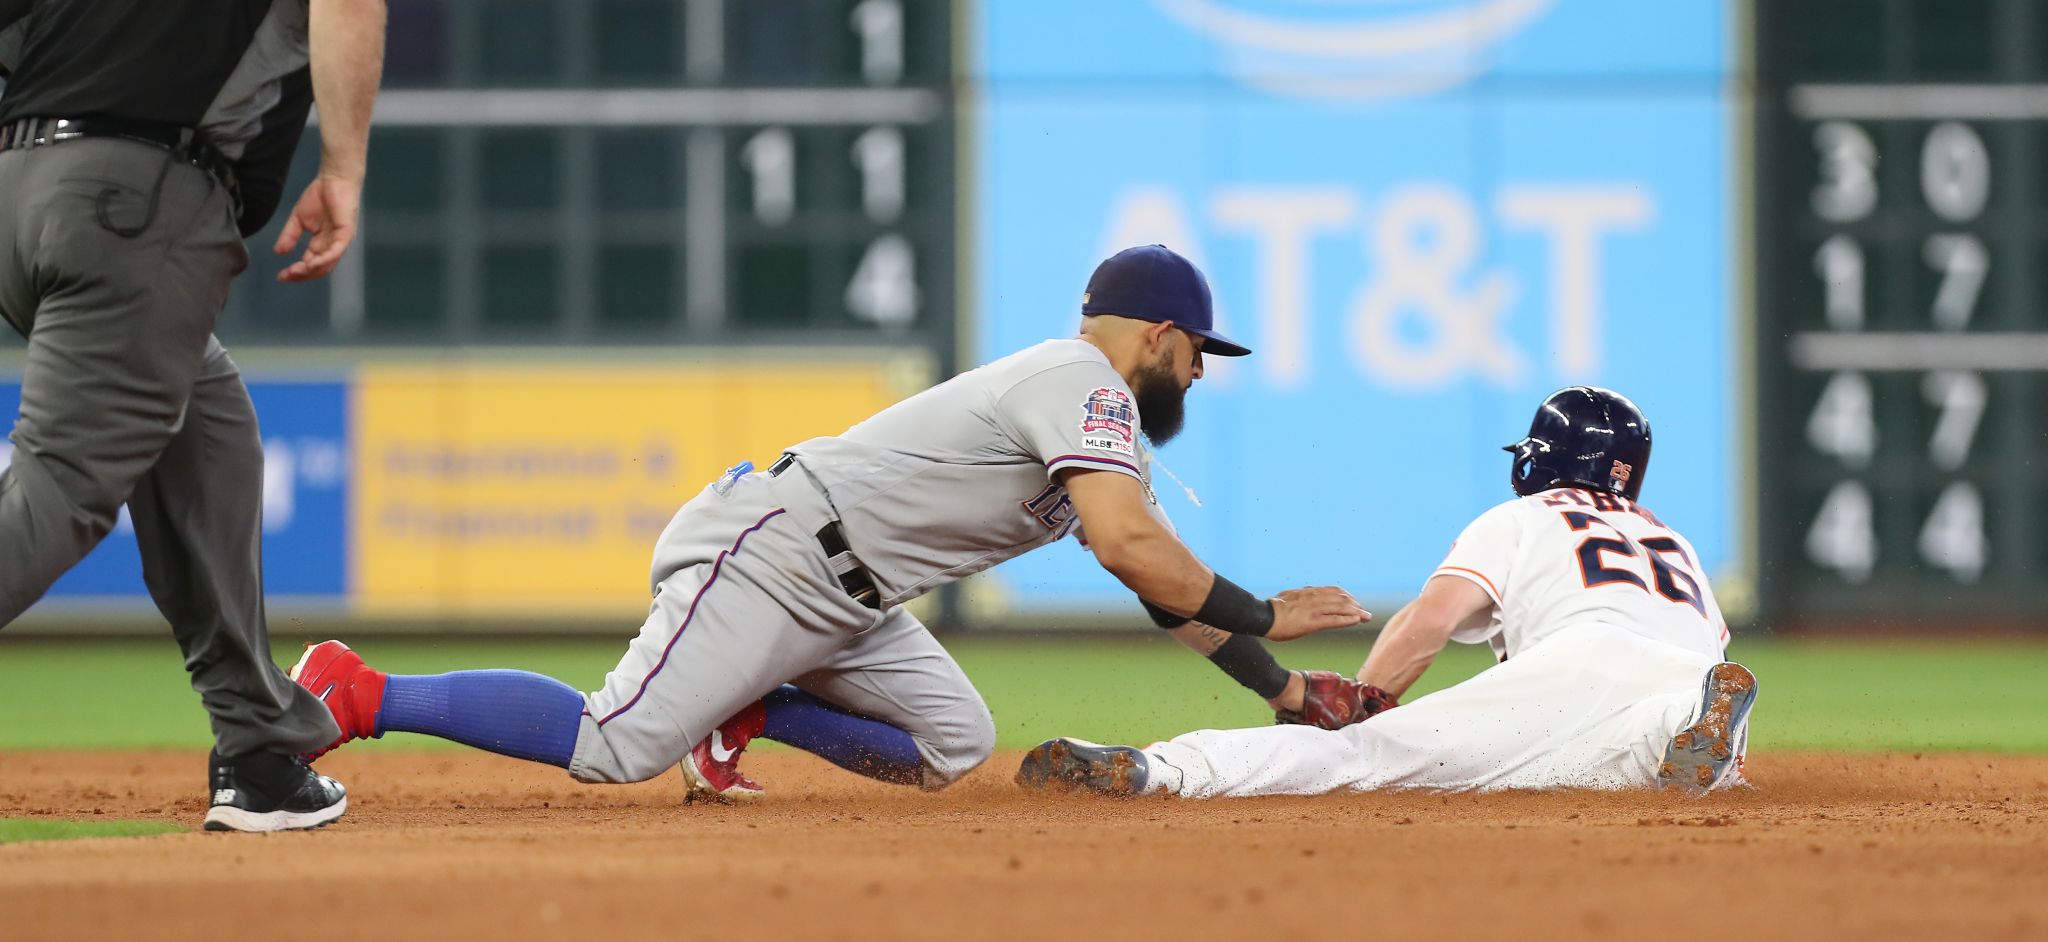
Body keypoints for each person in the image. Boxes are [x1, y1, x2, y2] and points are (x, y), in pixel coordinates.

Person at [290, 244, 1376, 799]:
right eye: (1197, 349)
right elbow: (1132, 548)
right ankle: (361, 690)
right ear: (1157, 331)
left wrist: (1281, 692)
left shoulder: (1095, 421)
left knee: (949, 748)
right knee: (615, 746)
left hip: (850, 599)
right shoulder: (1081, 379)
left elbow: (1150, 585)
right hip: (773, 554)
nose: (1199, 369)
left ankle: (743, 713)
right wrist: (1266, 611)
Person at [0, 0, 386, 831]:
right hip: (139, 195)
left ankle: (259, 750)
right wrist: (344, 169)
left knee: (211, 433)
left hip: (20, 188)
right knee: (62, 484)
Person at [1017, 386, 1759, 798]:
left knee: (1362, 759)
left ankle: (1162, 770)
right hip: (1686, 677)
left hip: (1579, 661)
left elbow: (1432, 621)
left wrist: (1366, 701)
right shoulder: (1676, 539)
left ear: (1542, 459)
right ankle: (1695, 730)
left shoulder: (1525, 515)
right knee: (1603, 766)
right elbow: (1704, 638)